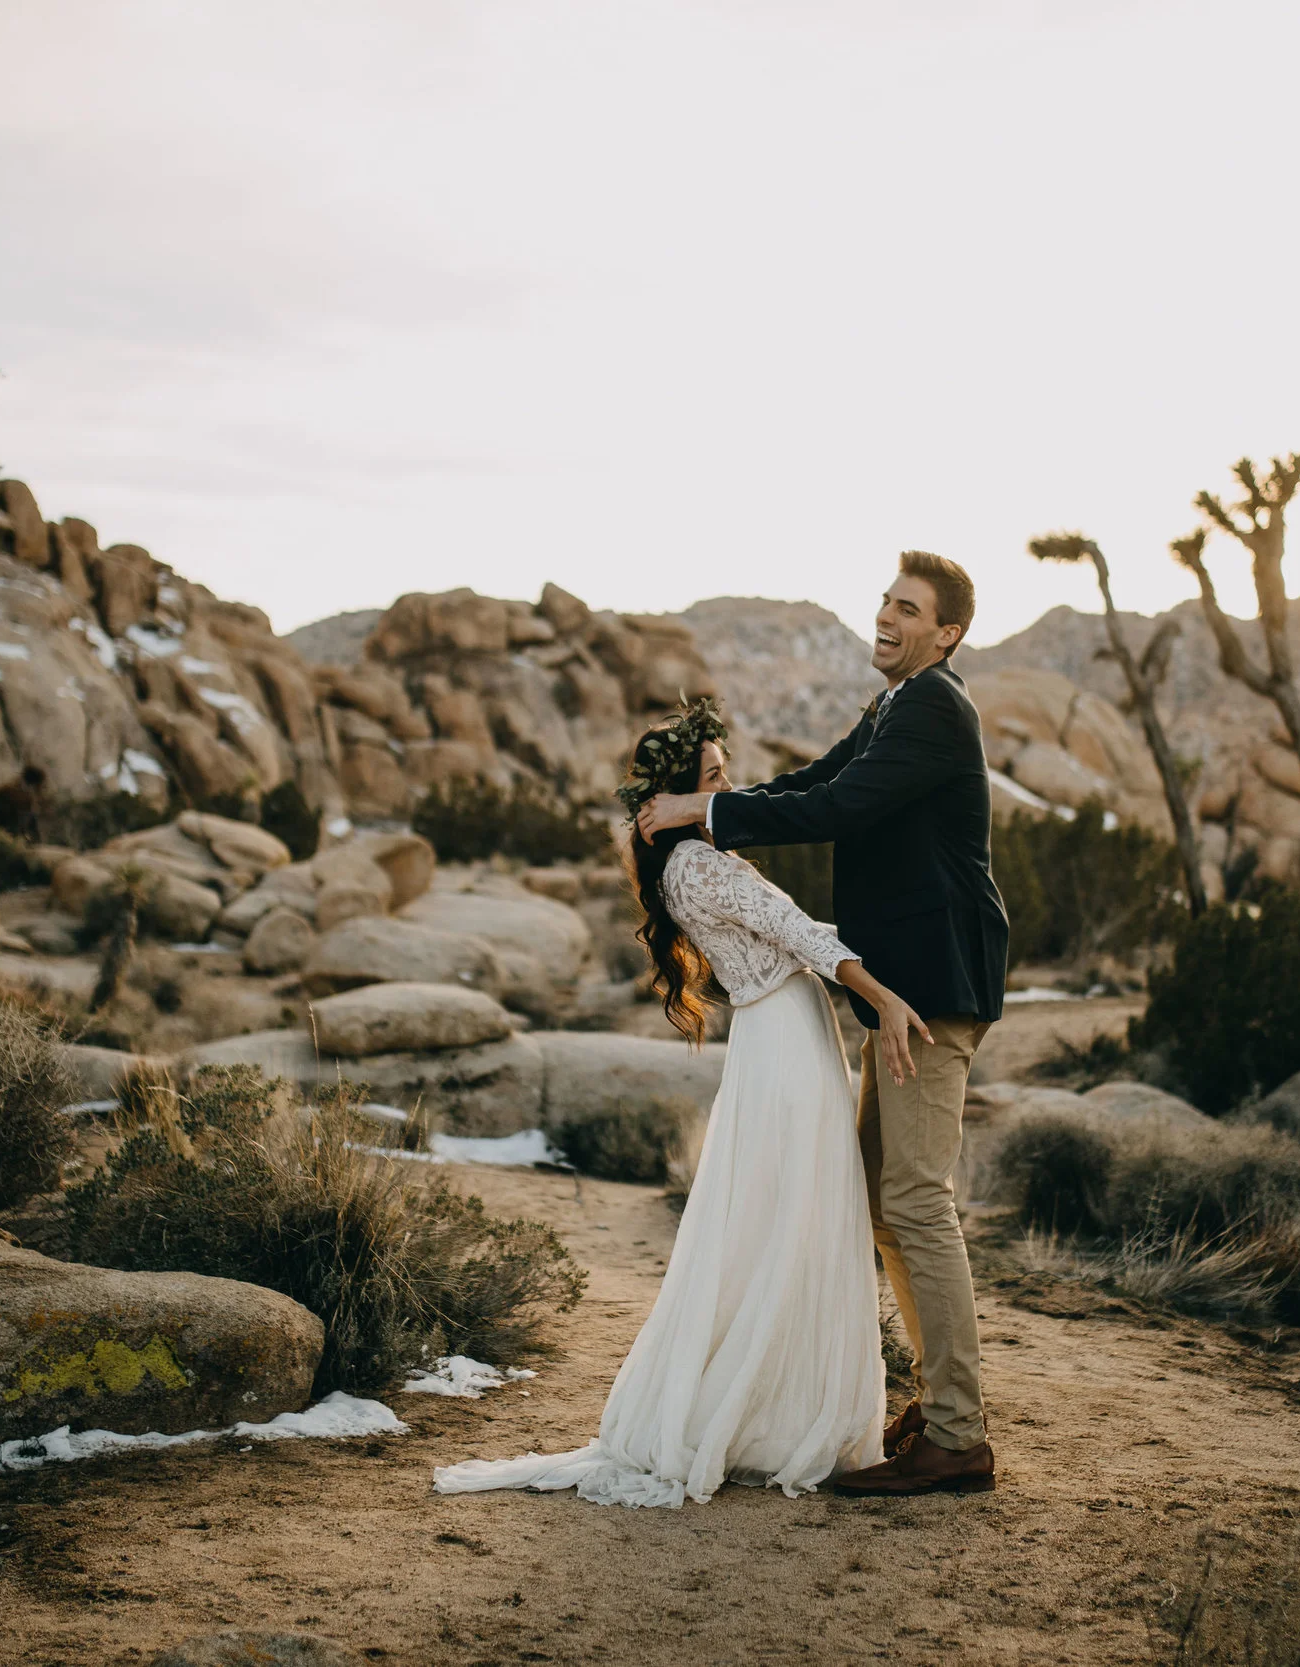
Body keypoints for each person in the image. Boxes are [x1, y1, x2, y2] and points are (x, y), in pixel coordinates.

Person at [431, 696, 936, 1507]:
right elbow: (802, 934)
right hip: (785, 1045)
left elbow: (792, 923)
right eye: (711, 777)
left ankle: (782, 1404)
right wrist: (884, 994)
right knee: (800, 1215)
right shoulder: (700, 865)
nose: (724, 788)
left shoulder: (682, 865)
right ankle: (782, 1416)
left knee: (787, 1218)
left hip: (778, 1037)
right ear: (669, 797)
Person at [632, 551, 1008, 1498]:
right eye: (886, 600)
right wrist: (714, 816)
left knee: (914, 1199)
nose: (886, 616)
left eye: (908, 608)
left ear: (947, 633)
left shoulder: (934, 707)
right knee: (886, 1202)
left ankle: (958, 1435)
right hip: (900, 992)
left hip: (930, 990)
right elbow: (815, 779)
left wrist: (702, 807)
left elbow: (839, 807)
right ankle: (942, 1408)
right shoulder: (893, 707)